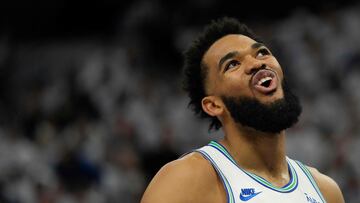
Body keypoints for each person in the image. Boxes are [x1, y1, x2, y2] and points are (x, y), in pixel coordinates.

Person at [140, 17, 344, 203]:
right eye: (232, 64)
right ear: (213, 105)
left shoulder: (325, 190)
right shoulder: (189, 179)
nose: (256, 63)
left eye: (262, 52)